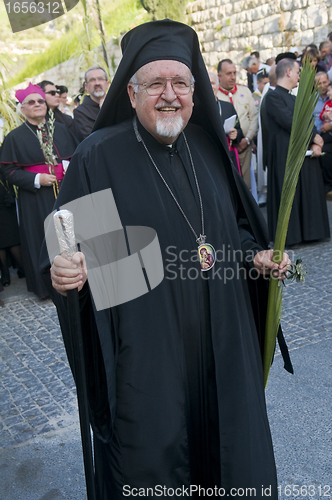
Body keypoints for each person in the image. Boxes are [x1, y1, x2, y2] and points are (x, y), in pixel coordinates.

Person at [43, 20, 292, 499]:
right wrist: (66, 268)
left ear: (195, 93)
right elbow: (77, 255)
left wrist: (252, 256)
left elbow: (231, 232)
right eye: (155, 83)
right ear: (131, 92)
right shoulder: (101, 156)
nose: (169, 95)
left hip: (224, 348)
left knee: (233, 464)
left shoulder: (210, 150)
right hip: (149, 357)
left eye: (181, 83)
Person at [0, 83, 79, 299]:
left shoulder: (62, 130)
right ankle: (47, 286)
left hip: (64, 191)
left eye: (40, 101)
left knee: (71, 235)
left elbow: (74, 157)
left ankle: (77, 277)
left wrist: (68, 170)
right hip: (36, 199)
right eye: (31, 102)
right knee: (42, 239)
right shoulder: (14, 138)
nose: (37, 105)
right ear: (23, 109)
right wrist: (36, 178)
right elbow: (7, 171)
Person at [264, 58, 330, 246]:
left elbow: (308, 121)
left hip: (303, 151)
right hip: (285, 153)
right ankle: (291, 236)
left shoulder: (294, 98)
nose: (300, 76)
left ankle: (311, 232)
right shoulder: (273, 97)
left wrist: (316, 142)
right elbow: (290, 122)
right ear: (288, 73)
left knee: (307, 189)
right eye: (298, 71)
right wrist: (314, 138)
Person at [217, 59, 258, 189]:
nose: (233, 77)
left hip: (245, 147)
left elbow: (253, 117)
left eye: (234, 73)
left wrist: (247, 139)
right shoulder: (215, 95)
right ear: (219, 76)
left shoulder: (244, 91)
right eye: (228, 73)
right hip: (226, 150)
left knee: (246, 185)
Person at [208, 71, 243, 173]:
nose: (210, 87)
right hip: (208, 157)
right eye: (207, 83)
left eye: (213, 83)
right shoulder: (196, 109)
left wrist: (235, 134)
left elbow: (240, 130)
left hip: (228, 155)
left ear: (218, 86)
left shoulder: (228, 106)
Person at [73, 66, 109, 139]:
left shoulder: (117, 104)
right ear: (86, 87)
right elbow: (91, 140)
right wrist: (104, 112)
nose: (97, 83)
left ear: (107, 84)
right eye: (92, 80)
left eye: (100, 79)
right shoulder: (80, 112)